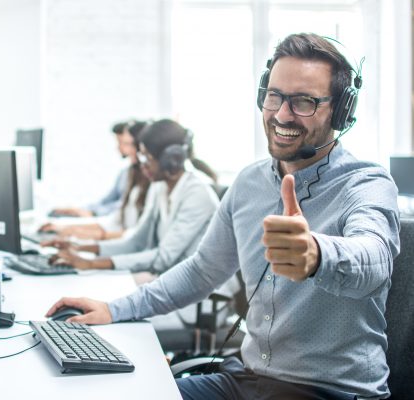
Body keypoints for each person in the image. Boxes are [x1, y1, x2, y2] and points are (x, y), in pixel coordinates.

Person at [46, 33, 400, 399]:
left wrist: (316, 255)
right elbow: (202, 270)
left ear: (340, 111)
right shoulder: (249, 182)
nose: (281, 114)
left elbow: (373, 260)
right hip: (246, 380)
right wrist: (113, 309)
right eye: (274, 96)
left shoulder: (366, 183)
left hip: (330, 392)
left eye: (304, 102)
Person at [43, 119, 220, 275]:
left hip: (199, 298)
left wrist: (90, 263)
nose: (142, 164)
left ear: (169, 160)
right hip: (171, 281)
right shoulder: (160, 187)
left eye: (147, 157)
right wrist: (79, 249)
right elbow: (136, 242)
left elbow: (163, 258)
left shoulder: (197, 194)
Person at [40, 121, 151, 240]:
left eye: (127, 144)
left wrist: (82, 230)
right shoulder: (130, 173)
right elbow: (113, 217)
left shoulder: (151, 185)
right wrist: (67, 227)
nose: (123, 149)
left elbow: (133, 234)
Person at [49, 121, 135, 218]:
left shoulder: (144, 175)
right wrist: (79, 210)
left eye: (123, 143)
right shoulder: (125, 172)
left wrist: (94, 213)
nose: (118, 148)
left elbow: (125, 206)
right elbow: (106, 200)